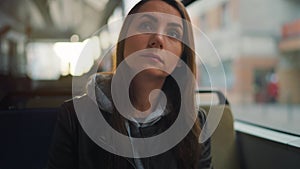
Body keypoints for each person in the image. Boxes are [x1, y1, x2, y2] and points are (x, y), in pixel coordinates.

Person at [47, 0, 212, 169]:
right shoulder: (74, 117)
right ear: (124, 40)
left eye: (174, 34)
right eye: (146, 25)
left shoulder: (195, 123)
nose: (158, 39)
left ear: (180, 59)